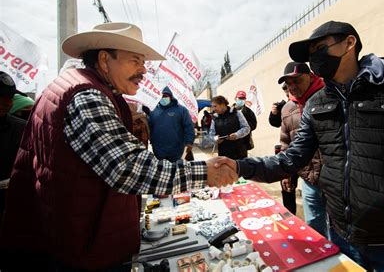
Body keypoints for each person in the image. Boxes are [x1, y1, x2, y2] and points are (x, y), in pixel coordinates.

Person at [215, 21, 384, 271]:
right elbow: (290, 158)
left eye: (321, 48)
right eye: (311, 54)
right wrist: (237, 166)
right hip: (342, 240)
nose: (315, 58)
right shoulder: (316, 104)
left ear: (349, 43)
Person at [0, 22, 237, 272]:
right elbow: (128, 168)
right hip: (83, 248)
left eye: (143, 62)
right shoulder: (86, 96)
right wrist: (205, 173)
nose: (143, 71)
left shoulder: (78, 87)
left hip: (78, 235)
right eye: (135, 61)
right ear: (104, 60)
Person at [277, 62, 326, 238]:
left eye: (297, 80)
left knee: (339, 232)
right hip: (308, 180)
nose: (292, 87)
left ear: (311, 77)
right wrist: (287, 174)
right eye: (289, 83)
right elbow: (286, 144)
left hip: (335, 179)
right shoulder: (287, 109)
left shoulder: (328, 96)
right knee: (314, 227)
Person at [0, 72, 27, 226]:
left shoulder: (22, 128)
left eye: (10, 97)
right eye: (1, 97)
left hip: (12, 207)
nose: (8, 102)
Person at [149, 86, 195, 162]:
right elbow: (150, 127)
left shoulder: (181, 110)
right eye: (161, 96)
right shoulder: (153, 111)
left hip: (176, 149)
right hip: (159, 150)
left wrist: (189, 142)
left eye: (165, 96)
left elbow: (188, 126)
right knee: (162, 171)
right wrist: (151, 140)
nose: (163, 98)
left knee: (176, 170)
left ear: (171, 97)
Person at [209, 95, 250, 159]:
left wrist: (237, 135)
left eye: (215, 106)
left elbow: (246, 128)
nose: (213, 109)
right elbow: (211, 134)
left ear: (222, 104)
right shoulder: (214, 118)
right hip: (223, 154)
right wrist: (215, 139)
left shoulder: (236, 113)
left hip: (239, 152)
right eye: (212, 106)